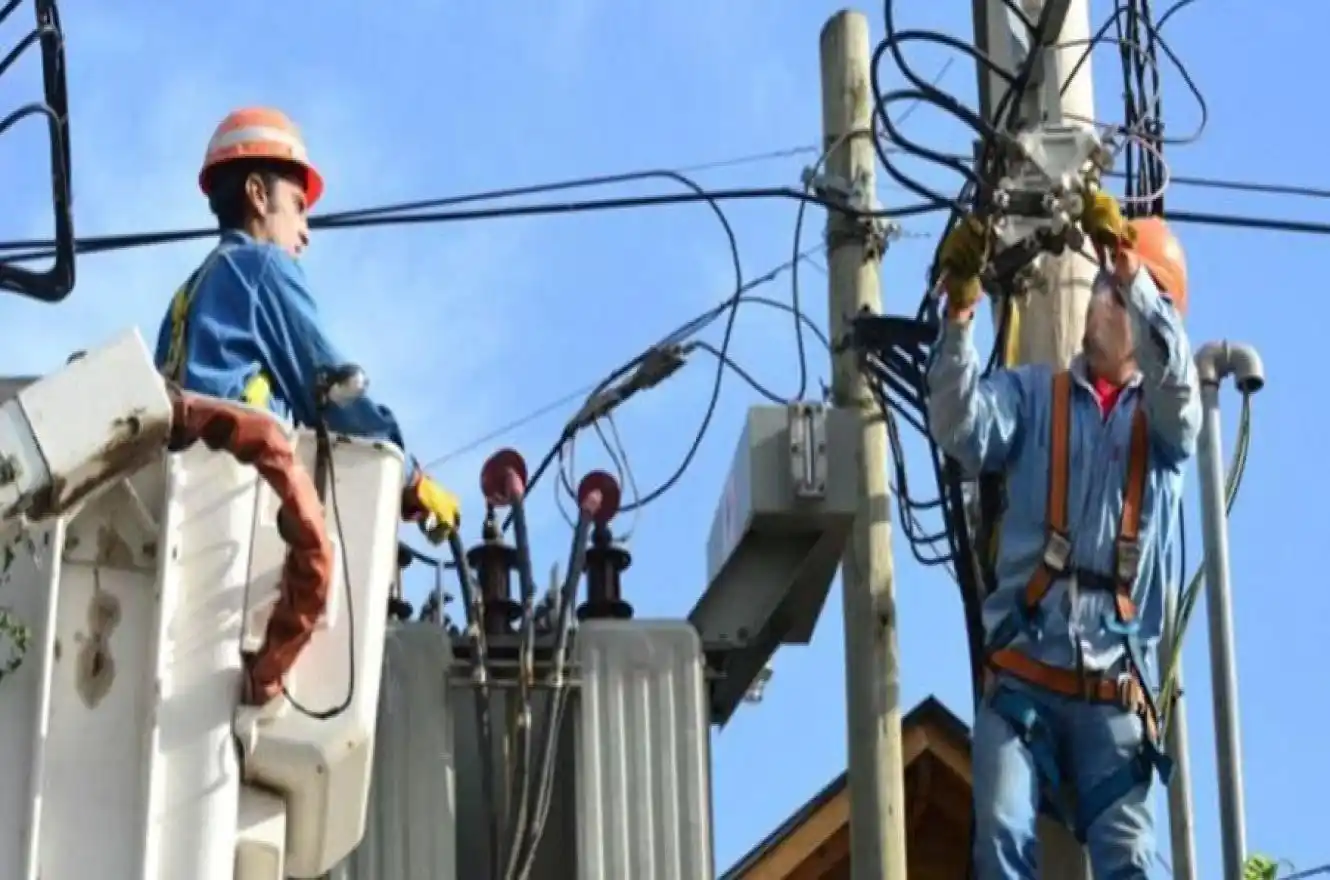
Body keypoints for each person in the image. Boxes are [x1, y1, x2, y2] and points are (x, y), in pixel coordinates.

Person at [926, 192, 1200, 880]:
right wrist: (959, 313)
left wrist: (1133, 273)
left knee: (1131, 861)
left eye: (1114, 293)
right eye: (1102, 287)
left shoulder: (1164, 425)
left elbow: (1180, 388)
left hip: (1112, 685)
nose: (1098, 301)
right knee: (1000, 838)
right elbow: (959, 427)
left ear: (1146, 316)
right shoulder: (1032, 397)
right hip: (1025, 679)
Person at [154, 107, 460, 531]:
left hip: (185, 509)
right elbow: (330, 389)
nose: (306, 231)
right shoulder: (260, 268)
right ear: (258, 195)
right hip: (241, 505)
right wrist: (410, 477)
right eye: (298, 206)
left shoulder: (187, 297)